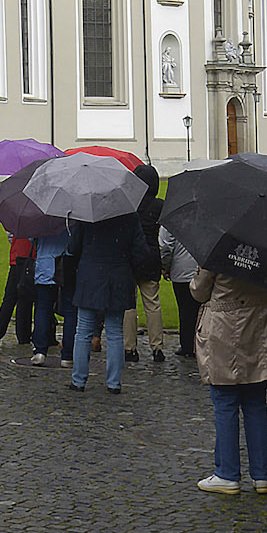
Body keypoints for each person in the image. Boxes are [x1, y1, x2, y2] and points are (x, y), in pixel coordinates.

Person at [189, 264, 267, 494]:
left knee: (225, 402)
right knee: (255, 402)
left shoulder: (220, 250)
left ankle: (227, 473)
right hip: (259, 327)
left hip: (225, 329)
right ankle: (262, 475)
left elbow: (199, 291)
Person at [68, 209, 144, 394]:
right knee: (115, 332)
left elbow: (72, 248)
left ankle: (78, 380)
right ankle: (114, 383)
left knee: (84, 331)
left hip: (90, 275)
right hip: (118, 275)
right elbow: (140, 250)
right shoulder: (129, 215)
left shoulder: (86, 213)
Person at [123, 164, 167, 365]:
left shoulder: (128, 204)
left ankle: (129, 347)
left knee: (129, 305)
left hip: (130, 256)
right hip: (151, 256)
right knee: (153, 303)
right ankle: (157, 347)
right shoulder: (159, 206)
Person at [0, 233, 35, 350]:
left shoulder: (20, 217)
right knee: (24, 299)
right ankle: (23, 336)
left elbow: (11, 235)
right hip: (31, 256)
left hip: (19, 257)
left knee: (11, 299)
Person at [159, 221, 201, 357]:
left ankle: (188, 345)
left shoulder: (172, 219)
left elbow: (165, 246)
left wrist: (165, 267)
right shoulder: (206, 214)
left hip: (181, 270)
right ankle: (198, 343)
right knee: (200, 310)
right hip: (201, 270)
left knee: (185, 310)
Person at [29, 227, 71, 364]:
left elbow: (32, 237)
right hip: (67, 263)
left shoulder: (41, 215)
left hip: (45, 263)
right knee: (70, 311)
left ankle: (40, 351)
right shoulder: (74, 213)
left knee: (42, 308)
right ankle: (67, 355)